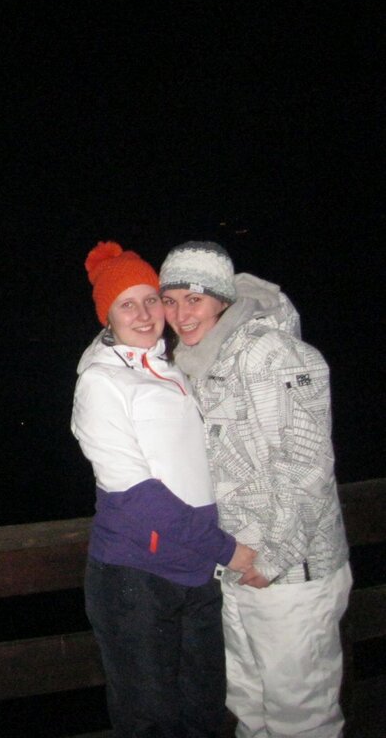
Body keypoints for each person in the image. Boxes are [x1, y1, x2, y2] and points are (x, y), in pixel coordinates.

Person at [159, 241, 351, 738]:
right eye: (170, 300)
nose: (181, 315)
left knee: (300, 714)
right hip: (235, 566)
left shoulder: (273, 355)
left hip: (290, 573)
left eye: (194, 299)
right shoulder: (199, 360)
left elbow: (307, 465)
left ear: (222, 299)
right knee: (249, 705)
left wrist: (275, 558)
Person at [72, 241, 256, 738]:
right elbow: (135, 495)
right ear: (107, 316)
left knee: (204, 712)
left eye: (151, 299)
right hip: (136, 578)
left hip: (196, 572)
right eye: (126, 304)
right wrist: (228, 550)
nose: (144, 313)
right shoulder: (101, 383)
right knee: (149, 721)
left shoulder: (171, 368)